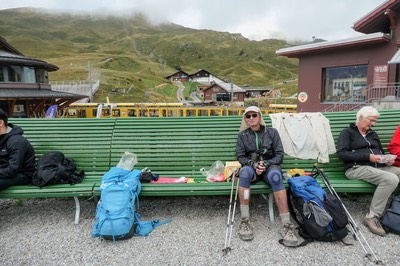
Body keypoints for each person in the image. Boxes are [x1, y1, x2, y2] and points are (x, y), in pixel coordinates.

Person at [236, 106, 299, 246]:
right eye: (248, 116)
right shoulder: (242, 135)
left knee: (276, 177)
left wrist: (265, 163)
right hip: (252, 170)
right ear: (245, 119)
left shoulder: (272, 132)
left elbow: (279, 155)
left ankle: (287, 225)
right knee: (244, 173)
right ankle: (245, 220)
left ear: (260, 116)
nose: (251, 118)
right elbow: (240, 156)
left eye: (254, 115)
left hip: (270, 168)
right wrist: (253, 164)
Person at [337, 106, 400, 236]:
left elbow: (380, 153)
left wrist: (386, 160)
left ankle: (395, 211)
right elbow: (342, 154)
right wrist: (367, 157)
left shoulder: (373, 134)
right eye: (371, 120)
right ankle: (372, 216)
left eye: (374, 121)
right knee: (391, 179)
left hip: (378, 167)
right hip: (356, 168)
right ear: (360, 117)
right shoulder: (348, 132)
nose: (373, 124)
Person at [0, 109, 36, 190]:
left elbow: (13, 169)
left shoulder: (16, 141)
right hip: (5, 172)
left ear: (1, 123)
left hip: (22, 175)